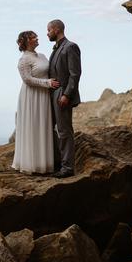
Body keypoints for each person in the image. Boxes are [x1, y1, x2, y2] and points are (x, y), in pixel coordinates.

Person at [13, 31, 59, 174]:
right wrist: (47, 83)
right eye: (33, 37)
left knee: (44, 125)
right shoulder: (24, 60)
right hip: (31, 96)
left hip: (44, 95)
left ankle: (45, 162)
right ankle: (32, 163)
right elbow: (27, 80)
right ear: (26, 41)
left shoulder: (43, 56)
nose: (37, 38)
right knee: (33, 125)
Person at [47, 19, 81, 178]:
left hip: (63, 94)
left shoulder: (71, 47)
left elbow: (75, 74)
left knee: (64, 131)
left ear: (56, 29)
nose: (47, 33)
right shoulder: (56, 48)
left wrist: (67, 94)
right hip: (52, 94)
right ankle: (57, 163)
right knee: (51, 130)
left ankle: (67, 168)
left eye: (48, 30)